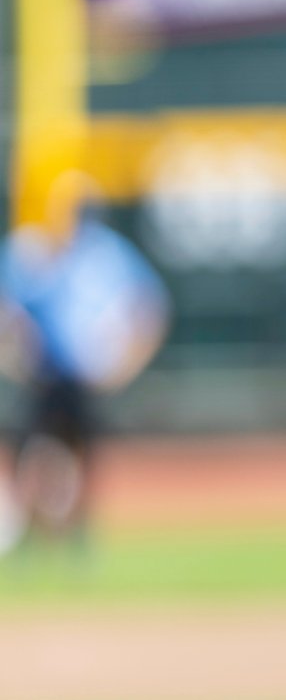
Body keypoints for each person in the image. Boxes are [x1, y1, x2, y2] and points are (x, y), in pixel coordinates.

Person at [0, 171, 171, 552]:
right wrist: (14, 359)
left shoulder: (109, 254)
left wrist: (125, 365)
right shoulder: (38, 251)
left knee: (84, 454)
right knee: (27, 448)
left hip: (86, 378)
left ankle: (77, 532)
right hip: (44, 375)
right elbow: (13, 313)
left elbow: (148, 308)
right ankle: (28, 527)